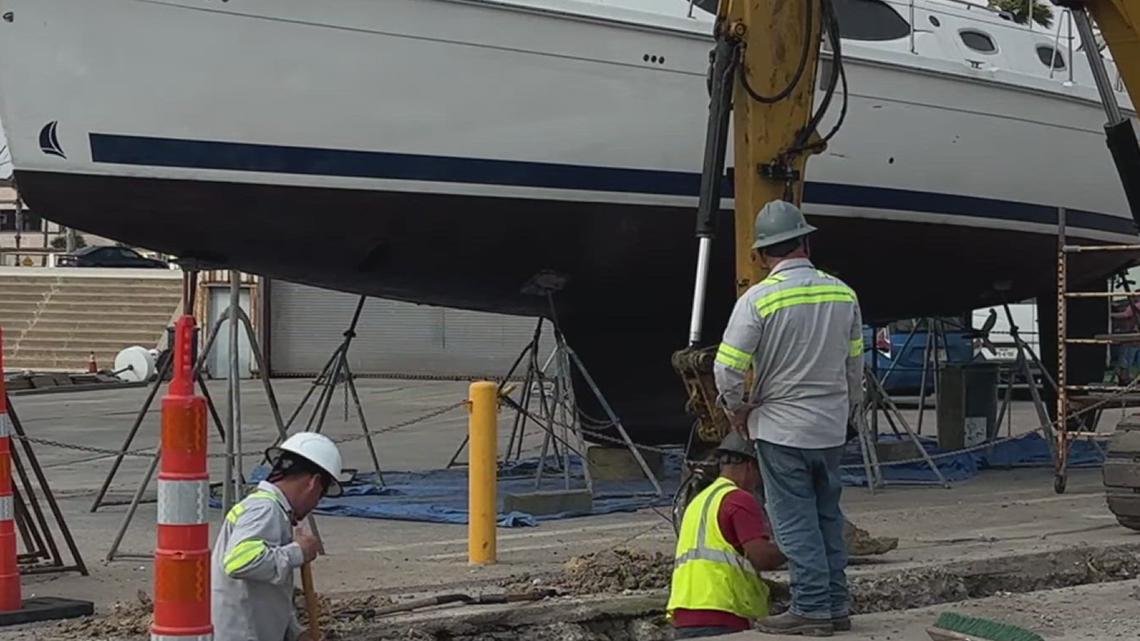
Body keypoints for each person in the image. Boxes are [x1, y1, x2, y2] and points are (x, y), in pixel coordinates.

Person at [713, 200, 863, 637]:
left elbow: (727, 368)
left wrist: (735, 408)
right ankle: (836, 606)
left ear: (761, 254)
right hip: (830, 427)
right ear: (807, 242)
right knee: (827, 517)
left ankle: (812, 610)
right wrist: (847, 409)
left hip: (781, 428)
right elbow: (855, 366)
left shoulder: (758, 299)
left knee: (795, 520)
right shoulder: (842, 293)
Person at [212, 432, 344, 641]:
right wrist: (298, 552)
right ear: (314, 482)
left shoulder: (271, 510)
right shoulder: (265, 509)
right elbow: (239, 562)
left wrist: (294, 632)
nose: (315, 504)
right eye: (320, 494)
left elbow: (268, 588)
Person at [666, 432, 786, 638]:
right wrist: (798, 547)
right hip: (722, 615)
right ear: (750, 466)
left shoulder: (699, 501)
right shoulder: (739, 499)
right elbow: (762, 557)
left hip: (685, 616)